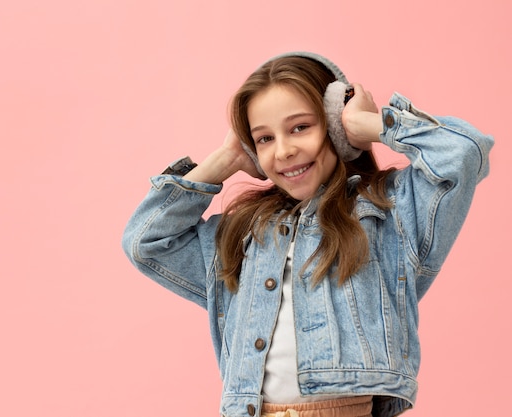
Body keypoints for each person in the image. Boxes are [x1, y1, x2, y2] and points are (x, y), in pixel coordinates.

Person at [121, 51, 493, 417]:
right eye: (264, 139)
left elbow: (462, 153)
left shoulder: (390, 214)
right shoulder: (244, 234)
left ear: (334, 125)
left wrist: (368, 124)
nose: (283, 150)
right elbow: (145, 242)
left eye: (300, 127)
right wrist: (225, 159)